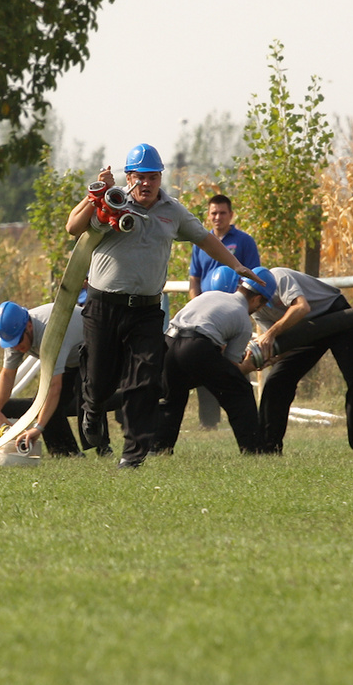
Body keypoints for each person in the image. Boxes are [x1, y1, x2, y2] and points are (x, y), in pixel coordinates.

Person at [64, 143, 254, 468]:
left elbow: (205, 238)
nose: (148, 184)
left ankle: (132, 455)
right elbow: (73, 227)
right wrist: (96, 194)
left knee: (147, 380)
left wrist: (236, 266)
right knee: (100, 380)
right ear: (129, 177)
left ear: (160, 177)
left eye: (154, 177)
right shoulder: (114, 202)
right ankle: (92, 409)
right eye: (141, 177)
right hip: (103, 306)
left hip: (146, 310)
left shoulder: (172, 211)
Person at [250, 265, 353, 454]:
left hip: (334, 315)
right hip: (306, 330)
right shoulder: (257, 309)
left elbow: (301, 307)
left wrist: (270, 334)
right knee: (277, 381)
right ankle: (268, 448)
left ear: (260, 294)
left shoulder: (280, 277)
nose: (252, 306)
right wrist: (273, 358)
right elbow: (283, 342)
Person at [155, 268, 266, 455]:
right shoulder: (243, 318)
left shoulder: (212, 295)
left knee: (172, 398)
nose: (258, 310)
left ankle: (159, 448)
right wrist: (248, 366)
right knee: (239, 391)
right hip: (196, 346)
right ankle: (253, 450)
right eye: (261, 306)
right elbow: (231, 367)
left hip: (168, 342)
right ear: (256, 299)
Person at [186, 194, 261, 428]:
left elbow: (254, 278)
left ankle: (243, 417)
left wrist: (240, 316)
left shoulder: (244, 242)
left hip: (233, 314)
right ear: (208, 216)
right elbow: (194, 281)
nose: (218, 217)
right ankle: (208, 422)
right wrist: (197, 306)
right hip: (206, 318)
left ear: (231, 215)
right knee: (204, 364)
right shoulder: (201, 243)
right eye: (213, 213)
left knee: (235, 364)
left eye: (222, 213)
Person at [0, 300, 84, 457]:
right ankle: (66, 455)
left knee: (88, 397)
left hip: (98, 351)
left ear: (29, 327)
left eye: (18, 341)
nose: (16, 348)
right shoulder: (15, 334)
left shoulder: (50, 333)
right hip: (71, 360)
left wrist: (38, 428)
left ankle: (103, 449)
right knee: (40, 404)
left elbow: (54, 387)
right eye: (11, 344)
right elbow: (7, 374)